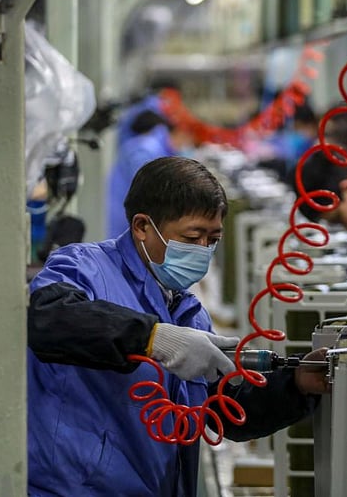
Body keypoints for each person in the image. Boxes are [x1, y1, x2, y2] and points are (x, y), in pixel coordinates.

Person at [27, 157, 329, 496]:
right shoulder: (84, 268)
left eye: (212, 239)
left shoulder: (186, 310)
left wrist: (296, 386)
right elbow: (49, 317)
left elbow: (223, 410)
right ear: (142, 226)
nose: (203, 250)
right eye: (192, 236)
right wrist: (155, 338)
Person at [106, 110, 195, 239]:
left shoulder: (161, 149)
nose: (187, 145)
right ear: (180, 132)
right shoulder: (145, 149)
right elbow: (151, 188)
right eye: (188, 139)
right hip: (120, 211)